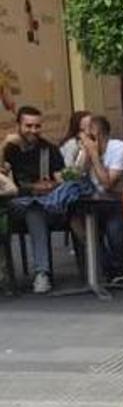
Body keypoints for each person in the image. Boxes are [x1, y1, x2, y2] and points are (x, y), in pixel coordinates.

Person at [2, 106, 65, 293]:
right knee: (31, 208)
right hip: (13, 205)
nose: (33, 130)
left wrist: (51, 185)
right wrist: (4, 145)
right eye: (28, 126)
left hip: (43, 204)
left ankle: (42, 273)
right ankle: (41, 273)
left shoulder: (49, 150)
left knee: (35, 209)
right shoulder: (10, 149)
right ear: (19, 126)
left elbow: (61, 179)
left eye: (37, 126)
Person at [75, 116, 123, 283]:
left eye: (85, 135)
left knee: (114, 227)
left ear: (96, 136)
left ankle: (120, 267)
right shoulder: (88, 151)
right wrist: (85, 154)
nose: (82, 140)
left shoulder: (120, 150)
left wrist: (94, 155)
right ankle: (105, 267)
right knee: (76, 220)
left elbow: (108, 184)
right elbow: (76, 174)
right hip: (99, 202)